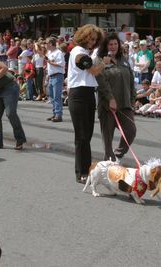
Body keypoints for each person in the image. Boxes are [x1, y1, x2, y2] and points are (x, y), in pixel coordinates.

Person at [67, 24, 104, 184]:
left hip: (88, 94)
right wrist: (104, 63)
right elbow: (92, 70)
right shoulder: (78, 51)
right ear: (83, 37)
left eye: (95, 39)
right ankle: (81, 172)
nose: (92, 41)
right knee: (81, 136)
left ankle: (87, 169)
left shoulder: (85, 52)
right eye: (90, 38)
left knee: (87, 136)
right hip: (78, 95)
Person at [95, 33, 136, 162]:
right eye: (110, 44)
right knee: (108, 138)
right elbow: (101, 81)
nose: (113, 47)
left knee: (130, 131)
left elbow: (131, 80)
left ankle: (118, 154)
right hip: (108, 106)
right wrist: (110, 99)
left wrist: (133, 99)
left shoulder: (124, 60)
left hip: (124, 104)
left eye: (115, 44)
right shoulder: (99, 61)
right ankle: (109, 162)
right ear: (105, 46)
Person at [45, 37, 65, 122]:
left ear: (50, 44)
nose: (45, 45)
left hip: (57, 76)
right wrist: (47, 74)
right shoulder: (49, 52)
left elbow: (61, 64)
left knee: (57, 96)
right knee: (52, 96)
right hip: (51, 76)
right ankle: (54, 113)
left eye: (46, 43)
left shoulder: (58, 53)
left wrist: (50, 62)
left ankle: (58, 115)